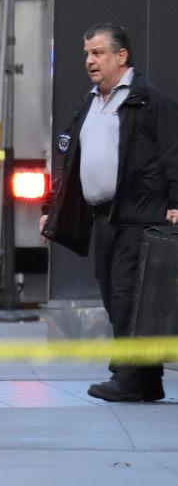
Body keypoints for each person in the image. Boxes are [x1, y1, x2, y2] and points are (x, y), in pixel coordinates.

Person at [40, 22, 178, 402]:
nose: (89, 61)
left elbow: (173, 153)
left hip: (140, 217)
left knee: (128, 297)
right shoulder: (90, 101)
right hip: (103, 218)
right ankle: (147, 380)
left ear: (122, 56)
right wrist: (50, 208)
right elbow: (71, 159)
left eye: (98, 53)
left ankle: (128, 377)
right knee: (114, 294)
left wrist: (176, 204)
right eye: (86, 53)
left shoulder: (148, 99)